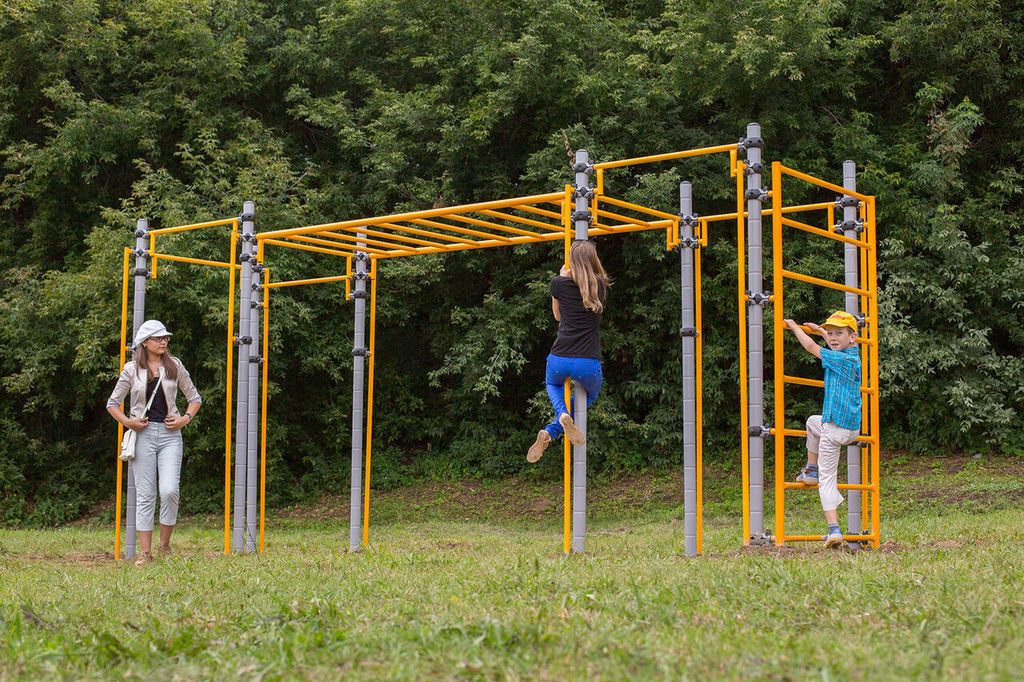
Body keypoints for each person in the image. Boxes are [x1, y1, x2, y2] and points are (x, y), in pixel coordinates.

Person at [106, 320, 202, 565]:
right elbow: (112, 403)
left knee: (169, 490)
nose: (163, 341)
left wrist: (185, 419)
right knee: (146, 495)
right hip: (143, 436)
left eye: (165, 338)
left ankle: (164, 545)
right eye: (158, 338)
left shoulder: (175, 366)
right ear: (144, 343)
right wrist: (129, 422)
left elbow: (195, 398)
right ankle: (145, 553)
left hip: (171, 436)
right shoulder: (131, 370)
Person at [783, 311, 862, 548]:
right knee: (811, 421)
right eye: (831, 333)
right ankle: (810, 469)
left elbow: (811, 348)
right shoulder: (853, 354)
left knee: (828, 479)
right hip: (851, 429)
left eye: (839, 333)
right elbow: (833, 344)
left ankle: (834, 530)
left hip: (834, 429)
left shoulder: (840, 360)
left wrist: (795, 327)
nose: (833, 337)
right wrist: (820, 331)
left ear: (852, 337)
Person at [527, 240, 610, 463]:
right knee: (590, 395)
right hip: (587, 361)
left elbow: (557, 316)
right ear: (593, 261)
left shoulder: (558, 284)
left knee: (552, 383)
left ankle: (559, 419)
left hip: (559, 357)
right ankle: (557, 424)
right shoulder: (600, 286)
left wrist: (561, 278)